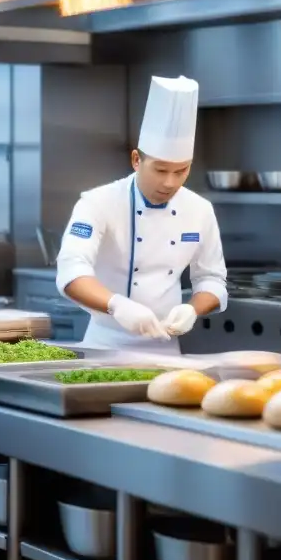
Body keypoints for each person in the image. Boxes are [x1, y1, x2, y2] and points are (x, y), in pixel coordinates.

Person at [56, 75, 227, 353]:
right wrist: (117, 305)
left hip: (167, 350)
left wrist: (192, 310)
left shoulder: (199, 210)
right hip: (104, 347)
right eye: (160, 170)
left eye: (181, 171)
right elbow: (71, 271)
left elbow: (212, 279)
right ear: (137, 160)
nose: (170, 182)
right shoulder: (97, 203)